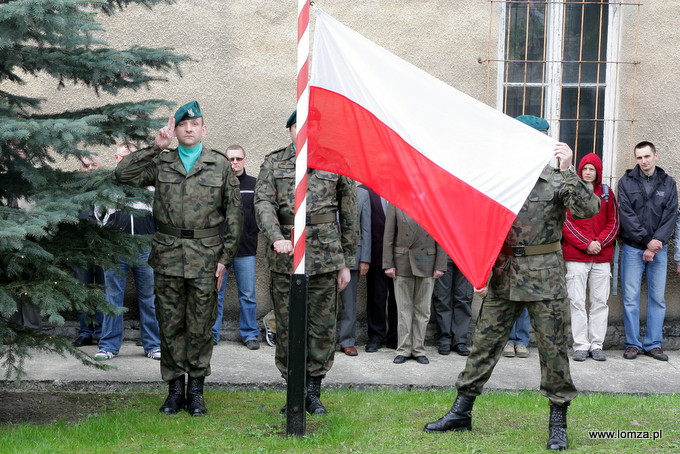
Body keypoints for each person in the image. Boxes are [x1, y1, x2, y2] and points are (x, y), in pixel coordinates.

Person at [424, 115, 599, 452]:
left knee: (554, 352)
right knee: (484, 344)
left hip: (545, 276)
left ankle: (558, 424)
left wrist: (568, 169)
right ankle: (461, 412)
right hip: (505, 273)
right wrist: (480, 270)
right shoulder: (501, 180)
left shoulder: (558, 179)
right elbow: (481, 226)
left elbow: (588, 209)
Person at [115, 101, 242, 417]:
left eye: (194, 124)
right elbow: (122, 174)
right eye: (183, 125)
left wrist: (225, 259)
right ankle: (174, 391)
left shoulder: (219, 165)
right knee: (169, 325)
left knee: (200, 326)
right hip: (168, 255)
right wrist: (155, 146)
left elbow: (235, 215)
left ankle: (196, 391)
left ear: (203, 129)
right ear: (176, 129)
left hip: (206, 258)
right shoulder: (162, 162)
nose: (188, 129)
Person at [254, 110, 358, 415]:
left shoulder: (335, 161)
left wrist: (346, 262)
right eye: (298, 125)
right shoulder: (274, 162)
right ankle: (293, 391)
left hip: (325, 258)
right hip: (286, 257)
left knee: (322, 327)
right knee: (287, 327)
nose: (304, 131)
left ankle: (313, 391)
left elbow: (350, 215)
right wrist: (275, 237)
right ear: (289, 129)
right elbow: (262, 203)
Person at [94, 143, 162, 362]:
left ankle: (153, 345)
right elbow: (98, 216)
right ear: (116, 158)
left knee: (149, 298)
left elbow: (159, 216)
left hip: (145, 247)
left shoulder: (150, 185)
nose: (129, 161)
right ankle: (108, 347)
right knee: (112, 298)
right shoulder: (107, 185)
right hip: (116, 248)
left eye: (134, 157)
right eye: (125, 157)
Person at [617, 141, 677, 362]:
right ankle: (632, 344)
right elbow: (626, 215)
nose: (643, 161)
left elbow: (671, 216)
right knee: (630, 298)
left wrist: (656, 242)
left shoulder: (668, 183)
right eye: (639, 157)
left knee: (657, 299)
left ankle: (653, 344)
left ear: (655, 156)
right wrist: (645, 241)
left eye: (647, 156)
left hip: (660, 251)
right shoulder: (626, 182)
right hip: (633, 248)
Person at [563, 152, 619, 362]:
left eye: (592, 169)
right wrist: (586, 244)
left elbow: (613, 223)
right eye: (585, 169)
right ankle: (580, 345)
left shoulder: (606, 194)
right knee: (576, 302)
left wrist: (600, 243)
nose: (587, 173)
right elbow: (565, 224)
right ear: (580, 170)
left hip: (601, 258)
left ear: (598, 172)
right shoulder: (571, 192)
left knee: (599, 302)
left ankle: (596, 345)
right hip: (576, 257)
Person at [383, 204, 446, 365]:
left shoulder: (434, 201)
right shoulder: (395, 203)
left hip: (427, 262)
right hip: (402, 261)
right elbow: (388, 236)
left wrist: (440, 265)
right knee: (403, 309)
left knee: (423, 310)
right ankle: (403, 349)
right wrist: (388, 263)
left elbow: (442, 235)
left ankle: (418, 349)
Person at [212, 145, 260, 350]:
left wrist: (251, 231)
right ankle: (212, 333)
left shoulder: (254, 184)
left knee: (247, 294)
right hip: (220, 250)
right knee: (216, 293)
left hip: (245, 249)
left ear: (245, 160)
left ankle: (249, 334)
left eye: (238, 158)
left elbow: (262, 212)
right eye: (231, 159)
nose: (235, 162)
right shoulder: (218, 184)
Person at [361, 184, 398, 352]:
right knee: (376, 297)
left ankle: (395, 337)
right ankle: (376, 336)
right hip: (375, 254)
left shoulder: (403, 190)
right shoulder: (364, 190)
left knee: (398, 299)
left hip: (400, 257)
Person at [72, 155, 104, 347]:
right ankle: (85, 332)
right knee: (82, 291)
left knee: (101, 292)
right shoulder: (73, 191)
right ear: (80, 169)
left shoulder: (108, 190)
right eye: (86, 166)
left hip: (103, 248)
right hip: (80, 248)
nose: (90, 169)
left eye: (94, 165)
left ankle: (100, 332)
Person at [337, 185, 371, 356]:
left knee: (349, 303)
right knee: (321, 302)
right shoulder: (323, 186)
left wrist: (364, 258)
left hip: (352, 255)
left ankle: (347, 340)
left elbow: (366, 229)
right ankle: (321, 341)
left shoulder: (362, 194)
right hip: (324, 255)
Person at [432, 257, 473, 356]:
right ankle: (444, 340)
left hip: (465, 255)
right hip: (444, 254)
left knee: (464, 298)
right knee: (442, 298)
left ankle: (460, 340)